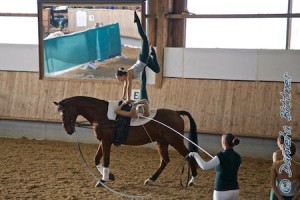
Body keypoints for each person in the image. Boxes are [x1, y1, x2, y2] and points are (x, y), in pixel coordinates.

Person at [115, 10, 160, 104]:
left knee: (145, 39)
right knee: (157, 70)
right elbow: (125, 86)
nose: (119, 80)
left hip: (143, 58)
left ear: (122, 75)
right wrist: (122, 97)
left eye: (119, 78)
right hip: (146, 60)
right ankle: (153, 55)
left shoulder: (130, 73)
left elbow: (128, 87)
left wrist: (127, 99)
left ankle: (137, 21)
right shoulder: (126, 77)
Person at [189, 133, 241, 200]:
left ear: (224, 143)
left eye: (221, 140)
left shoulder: (221, 155)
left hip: (221, 190)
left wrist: (195, 155)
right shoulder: (238, 157)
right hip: (235, 190)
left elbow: (204, 166)